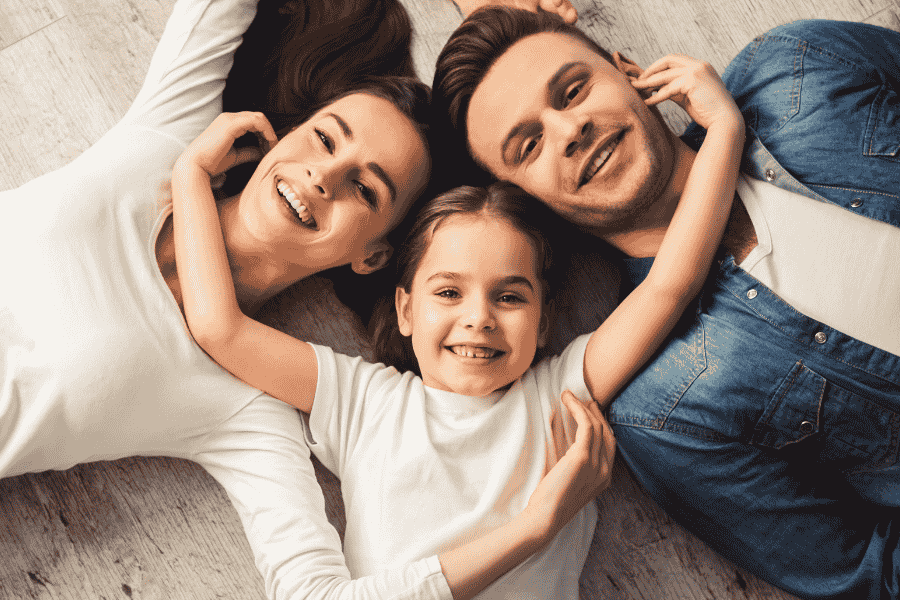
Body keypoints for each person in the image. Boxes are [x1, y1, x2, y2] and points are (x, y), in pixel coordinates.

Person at [169, 47, 744, 598]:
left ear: (544, 322)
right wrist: (192, 174)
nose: (478, 320)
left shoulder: (558, 396)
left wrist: (723, 130)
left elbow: (671, 282)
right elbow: (221, 329)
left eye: (511, 298)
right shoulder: (362, 401)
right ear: (405, 309)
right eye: (448, 291)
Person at [431, 6, 900, 600]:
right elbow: (869, 572)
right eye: (529, 145)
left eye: (574, 91)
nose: (569, 130)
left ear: (630, 71)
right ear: (530, 205)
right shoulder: (664, 408)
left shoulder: (796, 69)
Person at [0, 0, 449, 597]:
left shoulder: (242, 404)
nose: (323, 175)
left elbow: (312, 592)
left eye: (365, 189)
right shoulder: (167, 134)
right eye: (322, 138)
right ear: (285, 133)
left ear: (371, 255)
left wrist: (533, 528)